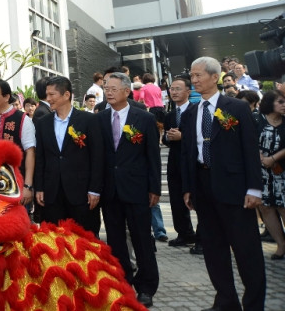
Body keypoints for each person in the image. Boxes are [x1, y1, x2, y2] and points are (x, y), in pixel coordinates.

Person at [181, 56, 265, 311]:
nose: (193, 80)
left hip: (235, 188)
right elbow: (187, 152)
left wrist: (254, 188)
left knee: (246, 250)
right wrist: (188, 188)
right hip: (203, 187)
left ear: (214, 77)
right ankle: (226, 301)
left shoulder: (236, 108)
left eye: (198, 75)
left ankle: (253, 304)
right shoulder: (191, 112)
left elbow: (249, 149)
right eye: (192, 76)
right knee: (214, 249)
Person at [98, 73, 160, 308]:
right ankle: (122, 282)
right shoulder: (100, 119)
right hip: (110, 190)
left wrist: (154, 188)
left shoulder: (143, 119)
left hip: (137, 189)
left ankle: (146, 287)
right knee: (115, 240)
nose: (109, 92)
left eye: (113, 88)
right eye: (106, 88)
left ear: (126, 91)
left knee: (142, 239)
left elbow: (152, 156)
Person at [33, 76, 103, 235]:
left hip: (81, 193)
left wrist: (95, 190)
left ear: (66, 95)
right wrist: (40, 187)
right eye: (47, 94)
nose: (48, 99)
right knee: (54, 240)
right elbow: (41, 158)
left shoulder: (88, 120)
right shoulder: (43, 123)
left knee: (85, 240)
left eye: (52, 95)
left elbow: (97, 157)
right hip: (52, 193)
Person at [0, 79, 35, 207]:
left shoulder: (22, 119)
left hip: (15, 184)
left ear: (6, 97)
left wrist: (28, 185)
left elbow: (30, 152)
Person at [161, 76, 198, 249]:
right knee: (176, 199)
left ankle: (202, 237)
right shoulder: (169, 115)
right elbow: (166, 138)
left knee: (197, 198)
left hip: (192, 161)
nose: (173, 92)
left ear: (188, 92)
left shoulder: (196, 110)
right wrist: (167, 137)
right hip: (175, 162)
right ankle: (184, 233)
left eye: (178, 89)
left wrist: (183, 137)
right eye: (172, 89)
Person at [255, 91, 285, 260]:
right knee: (266, 207)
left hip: (281, 171)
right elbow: (248, 139)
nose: (283, 105)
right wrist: (259, 156)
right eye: (280, 102)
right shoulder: (257, 120)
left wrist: (273, 158)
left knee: (282, 206)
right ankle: (281, 244)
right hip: (260, 171)